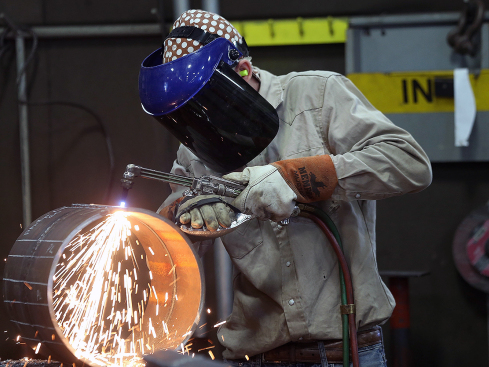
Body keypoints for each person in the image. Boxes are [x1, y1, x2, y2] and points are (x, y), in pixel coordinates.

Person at [139, 9, 432, 367]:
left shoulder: (317, 95)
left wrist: (294, 177)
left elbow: (410, 164)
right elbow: (172, 244)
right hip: (256, 355)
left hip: (346, 350)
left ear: (243, 71)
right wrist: (181, 217)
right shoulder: (195, 151)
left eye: (209, 104)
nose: (205, 120)